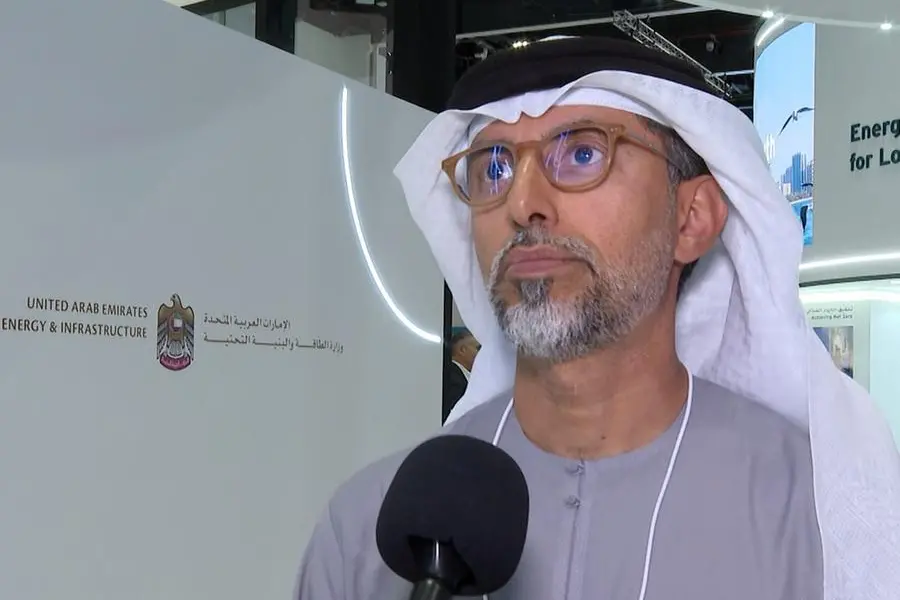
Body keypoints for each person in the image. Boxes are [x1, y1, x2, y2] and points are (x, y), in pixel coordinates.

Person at [297, 37, 900, 600]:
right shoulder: (370, 532)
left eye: (582, 153)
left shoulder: (817, 520)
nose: (523, 204)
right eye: (494, 167)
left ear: (691, 218)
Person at [443, 328, 480, 419]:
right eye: (478, 348)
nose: (481, 353)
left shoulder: (462, 375)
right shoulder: (451, 378)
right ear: (462, 350)